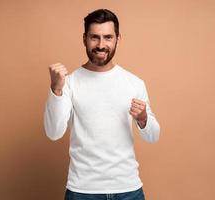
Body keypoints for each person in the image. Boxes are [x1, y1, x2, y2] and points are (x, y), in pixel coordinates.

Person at [44, 8, 160, 200]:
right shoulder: (69, 82)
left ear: (117, 39)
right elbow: (53, 133)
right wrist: (56, 89)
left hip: (128, 190)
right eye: (94, 37)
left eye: (107, 37)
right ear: (84, 39)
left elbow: (153, 136)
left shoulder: (134, 83)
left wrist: (143, 118)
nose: (101, 44)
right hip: (83, 191)